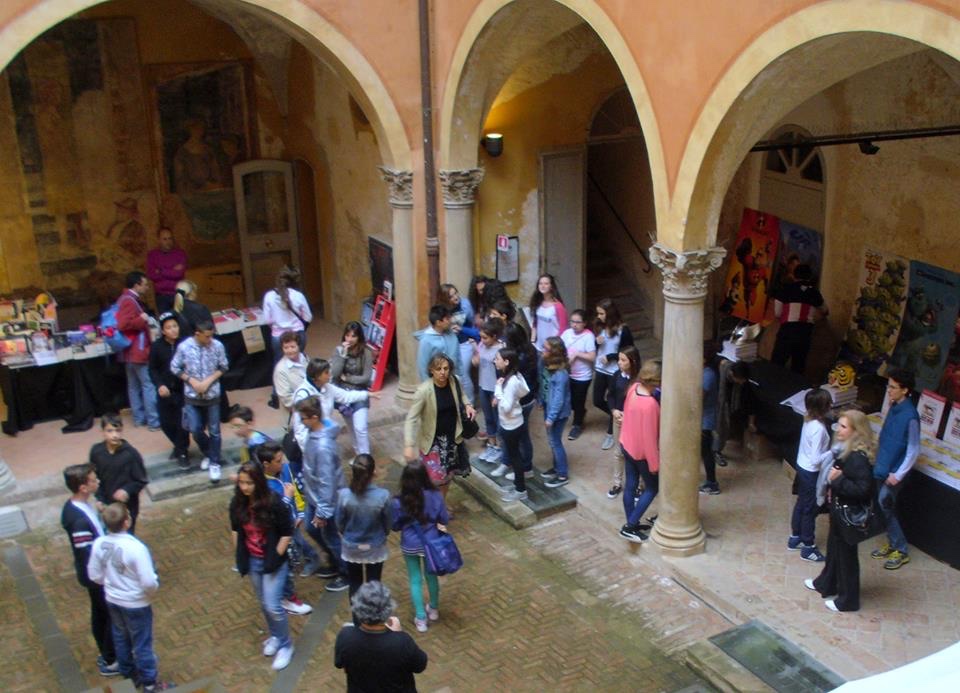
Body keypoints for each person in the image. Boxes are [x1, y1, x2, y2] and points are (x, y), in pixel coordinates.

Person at [87, 503, 169, 692]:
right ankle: (149, 683)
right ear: (126, 522)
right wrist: (149, 592)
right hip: (136, 603)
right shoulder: (136, 548)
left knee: (121, 637)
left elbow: (94, 574)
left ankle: (129, 675)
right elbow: (148, 581)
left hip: (113, 600)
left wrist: (111, 584)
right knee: (142, 642)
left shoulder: (99, 543)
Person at [805, 410, 877, 612]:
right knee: (834, 548)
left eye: (844, 427)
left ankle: (848, 600)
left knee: (847, 557)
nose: (839, 430)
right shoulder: (847, 451)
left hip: (848, 514)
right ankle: (826, 583)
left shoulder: (858, 458)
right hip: (840, 511)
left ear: (856, 431)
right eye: (839, 425)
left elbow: (863, 490)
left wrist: (837, 480)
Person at [229, 462, 296, 670]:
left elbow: (287, 531)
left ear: (258, 482)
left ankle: (286, 645)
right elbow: (235, 529)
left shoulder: (273, 503)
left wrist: (276, 555)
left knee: (273, 605)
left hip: (272, 561)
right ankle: (276, 636)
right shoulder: (237, 503)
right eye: (241, 483)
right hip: (253, 560)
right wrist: (240, 554)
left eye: (249, 483)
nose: (244, 487)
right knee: (263, 602)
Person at [60, 464, 117, 678]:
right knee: (109, 615)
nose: (98, 482)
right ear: (83, 487)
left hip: (96, 574)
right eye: (93, 480)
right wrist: (102, 575)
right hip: (96, 576)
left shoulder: (81, 507)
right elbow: (87, 553)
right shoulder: (78, 520)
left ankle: (108, 654)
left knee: (101, 612)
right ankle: (110, 659)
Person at [404, 354, 476, 499]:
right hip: (433, 443)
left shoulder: (454, 381)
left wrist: (468, 405)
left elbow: (462, 395)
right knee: (433, 479)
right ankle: (431, 506)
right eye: (438, 369)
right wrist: (409, 445)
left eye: (446, 368)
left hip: (452, 440)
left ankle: (441, 505)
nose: (443, 372)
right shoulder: (423, 391)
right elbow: (411, 419)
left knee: (447, 476)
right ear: (431, 370)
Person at [297, 398, 351, 593]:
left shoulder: (323, 447)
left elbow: (327, 481)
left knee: (332, 537)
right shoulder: (315, 433)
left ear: (314, 417)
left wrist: (323, 512)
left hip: (326, 501)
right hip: (315, 497)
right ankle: (334, 561)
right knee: (312, 530)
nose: (301, 422)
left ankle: (346, 573)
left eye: (303, 418)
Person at [254, 443, 314, 616]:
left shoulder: (285, 469)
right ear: (266, 464)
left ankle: (285, 595)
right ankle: (287, 599)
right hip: (278, 534)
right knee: (284, 565)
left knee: (291, 561)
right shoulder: (262, 486)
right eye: (278, 461)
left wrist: (300, 512)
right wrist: (287, 500)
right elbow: (272, 513)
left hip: (291, 526)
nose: (283, 463)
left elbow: (295, 490)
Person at [334, 581, 428, 690]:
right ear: (388, 608)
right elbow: (420, 665)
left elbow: (339, 664)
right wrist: (397, 634)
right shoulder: (401, 642)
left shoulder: (346, 637)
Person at [391, 461, 450, 633]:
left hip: (409, 543)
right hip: (431, 543)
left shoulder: (399, 500)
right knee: (431, 576)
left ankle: (421, 618)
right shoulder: (435, 494)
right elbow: (444, 518)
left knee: (415, 579)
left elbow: (395, 525)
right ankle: (434, 609)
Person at [871, 368, 920, 570]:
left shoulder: (911, 416)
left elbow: (913, 449)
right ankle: (893, 543)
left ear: (905, 390)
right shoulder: (894, 407)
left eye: (893, 387)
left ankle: (900, 549)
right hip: (882, 466)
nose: (889, 390)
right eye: (888, 386)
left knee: (885, 505)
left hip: (893, 473)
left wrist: (898, 475)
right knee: (884, 507)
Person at [170, 320, 229, 483]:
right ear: (198, 334)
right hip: (192, 395)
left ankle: (214, 462)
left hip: (212, 394)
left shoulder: (217, 346)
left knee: (215, 430)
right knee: (195, 428)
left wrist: (208, 381)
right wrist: (191, 380)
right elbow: (175, 367)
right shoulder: (184, 347)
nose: (210, 340)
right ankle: (210, 452)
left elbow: (223, 366)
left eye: (211, 336)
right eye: (207, 336)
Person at [291, 358, 377, 459]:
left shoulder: (327, 387)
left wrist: (367, 394)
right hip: (313, 446)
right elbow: (300, 430)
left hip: (325, 439)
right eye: (326, 372)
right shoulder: (302, 396)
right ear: (317, 376)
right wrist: (310, 453)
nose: (330, 374)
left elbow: (345, 396)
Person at [335, 454, 391, 596]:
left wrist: (345, 533)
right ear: (374, 472)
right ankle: (374, 610)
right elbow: (388, 522)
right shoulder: (383, 495)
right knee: (374, 584)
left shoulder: (344, 495)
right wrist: (384, 533)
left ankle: (356, 612)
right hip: (375, 545)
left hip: (352, 546)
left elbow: (339, 522)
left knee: (355, 583)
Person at [787, 388, 832, 562]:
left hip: (802, 466)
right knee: (810, 509)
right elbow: (816, 459)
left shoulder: (808, 420)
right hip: (811, 472)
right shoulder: (819, 429)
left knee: (801, 503)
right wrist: (832, 452)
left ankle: (795, 538)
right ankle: (808, 547)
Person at [619, 360, 661, 543]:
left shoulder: (633, 388)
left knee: (630, 484)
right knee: (652, 488)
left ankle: (632, 522)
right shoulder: (651, 405)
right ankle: (629, 526)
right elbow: (650, 439)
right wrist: (654, 465)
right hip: (641, 453)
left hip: (626, 444)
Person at [89, 414, 148, 534]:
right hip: (106, 505)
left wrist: (127, 490)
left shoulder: (131, 454)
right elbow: (96, 478)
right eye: (110, 431)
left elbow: (141, 480)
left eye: (118, 430)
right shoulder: (96, 452)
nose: (114, 435)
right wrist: (99, 499)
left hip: (127, 507)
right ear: (102, 431)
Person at [116, 271, 160, 430]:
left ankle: (139, 419)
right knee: (148, 385)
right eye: (145, 284)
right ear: (136, 285)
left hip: (128, 351)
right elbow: (123, 325)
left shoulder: (124, 299)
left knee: (134, 387)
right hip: (138, 350)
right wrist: (142, 319)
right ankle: (153, 421)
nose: (147, 287)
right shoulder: (130, 301)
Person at [263, 266, 312, 408]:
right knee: (299, 362)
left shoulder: (269, 296)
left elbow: (267, 319)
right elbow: (308, 317)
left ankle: (277, 395)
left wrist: (277, 326)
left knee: (278, 364)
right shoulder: (298, 296)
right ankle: (303, 390)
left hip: (278, 336)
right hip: (297, 335)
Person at [148, 313, 189, 469]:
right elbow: (152, 369)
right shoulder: (157, 346)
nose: (173, 330)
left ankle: (182, 452)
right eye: (169, 327)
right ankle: (178, 446)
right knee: (166, 423)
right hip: (165, 391)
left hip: (182, 390)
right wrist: (159, 385)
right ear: (163, 331)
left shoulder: (185, 344)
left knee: (182, 423)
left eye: (175, 326)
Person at [593, 299, 635, 450]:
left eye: (601, 313)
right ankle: (616, 415)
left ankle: (611, 433)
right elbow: (594, 346)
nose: (599, 316)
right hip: (600, 368)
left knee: (614, 401)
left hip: (614, 371)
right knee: (597, 400)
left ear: (609, 313)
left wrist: (611, 357)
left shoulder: (623, 330)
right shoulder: (599, 326)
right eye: (598, 313)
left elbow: (629, 351)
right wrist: (596, 342)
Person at [771, 263, 828, 374]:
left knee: (777, 364)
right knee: (798, 366)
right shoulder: (815, 293)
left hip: (787, 331)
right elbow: (825, 311)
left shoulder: (785, 289)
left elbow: (777, 313)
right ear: (810, 277)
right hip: (805, 333)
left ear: (794, 276)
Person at [331, 321, 375, 455]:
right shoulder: (339, 351)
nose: (349, 339)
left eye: (353, 336)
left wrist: (348, 378)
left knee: (360, 428)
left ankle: (365, 456)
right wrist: (343, 355)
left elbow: (366, 377)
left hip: (360, 393)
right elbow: (335, 374)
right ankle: (358, 454)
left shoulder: (366, 353)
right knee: (351, 427)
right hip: (344, 395)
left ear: (359, 337)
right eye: (347, 335)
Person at [494, 348, 531, 502]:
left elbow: (506, 407)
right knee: (515, 456)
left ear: (506, 362)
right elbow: (524, 391)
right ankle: (517, 485)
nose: (495, 361)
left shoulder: (510, 382)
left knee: (515, 458)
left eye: (497, 358)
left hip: (511, 426)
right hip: (516, 422)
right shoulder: (515, 376)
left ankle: (520, 490)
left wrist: (498, 390)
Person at [503, 322, 538, 480]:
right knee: (522, 435)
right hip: (529, 397)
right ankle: (519, 464)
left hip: (521, 400)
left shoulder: (518, 358)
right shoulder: (530, 350)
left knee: (522, 436)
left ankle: (525, 468)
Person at [606, 346, 641, 499]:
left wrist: (630, 415)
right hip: (618, 419)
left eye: (623, 360)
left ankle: (639, 485)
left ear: (632, 362)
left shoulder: (640, 379)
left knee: (636, 453)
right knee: (618, 452)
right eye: (619, 359)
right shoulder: (616, 375)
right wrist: (614, 410)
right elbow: (610, 395)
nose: (619, 362)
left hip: (635, 422)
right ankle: (617, 483)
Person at [438, 283, 479, 403]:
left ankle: (470, 403)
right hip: (449, 344)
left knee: (463, 374)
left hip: (464, 343)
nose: (456, 297)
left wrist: (471, 337)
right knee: (451, 374)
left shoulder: (465, 304)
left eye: (456, 293)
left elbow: (473, 324)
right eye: (451, 296)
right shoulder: (442, 310)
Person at [540, 336, 572, 488]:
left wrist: (551, 417)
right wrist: (541, 401)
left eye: (546, 349)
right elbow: (544, 386)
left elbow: (558, 399)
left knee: (555, 441)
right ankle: (557, 467)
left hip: (557, 413)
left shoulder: (560, 374)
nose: (542, 351)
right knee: (552, 440)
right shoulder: (548, 366)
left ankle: (562, 474)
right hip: (549, 407)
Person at [560, 309, 596, 441]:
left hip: (582, 376)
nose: (574, 325)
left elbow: (592, 357)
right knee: (570, 400)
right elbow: (560, 348)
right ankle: (580, 414)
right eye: (572, 322)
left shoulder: (588, 336)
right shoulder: (566, 334)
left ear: (584, 323)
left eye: (578, 322)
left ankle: (577, 425)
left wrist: (576, 355)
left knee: (579, 402)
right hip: (568, 373)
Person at [474, 317, 505, 462]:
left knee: (498, 418)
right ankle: (492, 446)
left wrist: (498, 393)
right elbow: (477, 360)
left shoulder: (501, 349)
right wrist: (475, 360)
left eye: (485, 338)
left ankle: (501, 447)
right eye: (481, 337)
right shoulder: (482, 345)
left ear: (494, 336)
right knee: (488, 418)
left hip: (494, 389)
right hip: (483, 385)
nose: (482, 340)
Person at [698, 343, 722, 496]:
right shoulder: (704, 372)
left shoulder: (708, 375)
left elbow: (699, 397)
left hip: (705, 420)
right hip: (702, 418)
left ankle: (712, 483)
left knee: (706, 452)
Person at [415, 305, 461, 382]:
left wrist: (460, 377)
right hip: (437, 382)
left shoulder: (452, 335)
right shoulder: (426, 341)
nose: (450, 321)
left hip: (453, 380)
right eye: (447, 319)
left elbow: (458, 358)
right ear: (438, 322)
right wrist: (429, 386)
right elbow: (423, 366)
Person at [146, 228, 186, 315]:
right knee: (166, 321)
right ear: (159, 240)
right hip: (161, 296)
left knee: (181, 320)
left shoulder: (180, 253)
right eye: (165, 239)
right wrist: (172, 270)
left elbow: (179, 274)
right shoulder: (152, 255)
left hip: (178, 294)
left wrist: (161, 271)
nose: (168, 242)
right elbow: (152, 275)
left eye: (170, 238)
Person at [529, 273, 567, 353]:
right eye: (540, 283)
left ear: (551, 286)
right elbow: (535, 324)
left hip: (552, 349)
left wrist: (553, 346)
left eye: (546, 284)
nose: (543, 286)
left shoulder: (558, 306)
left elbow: (563, 329)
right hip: (538, 348)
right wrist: (532, 341)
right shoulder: (537, 303)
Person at [273, 330, 309, 417]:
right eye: (286, 348)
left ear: (299, 346)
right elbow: (286, 398)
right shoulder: (280, 370)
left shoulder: (304, 357)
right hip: (297, 413)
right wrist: (309, 405)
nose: (290, 350)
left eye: (293, 347)